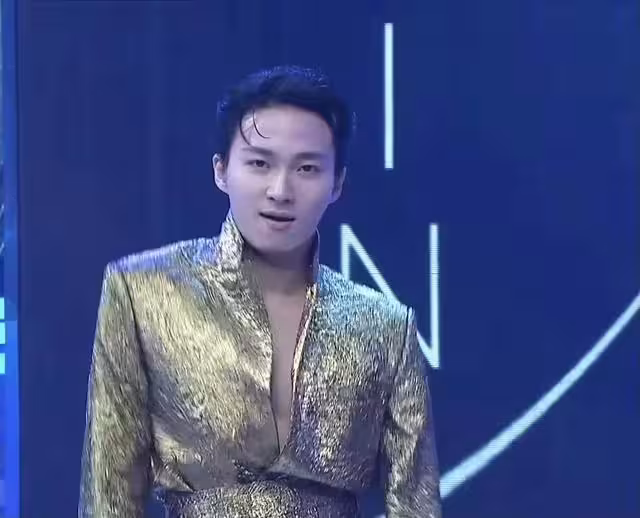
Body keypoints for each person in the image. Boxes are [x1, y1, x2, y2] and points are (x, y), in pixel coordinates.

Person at [79, 65, 441, 518]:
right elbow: (109, 494)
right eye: (259, 163)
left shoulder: (385, 327)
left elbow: (416, 505)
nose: (280, 190)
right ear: (221, 170)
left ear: (337, 183)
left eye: (307, 168)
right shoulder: (142, 292)